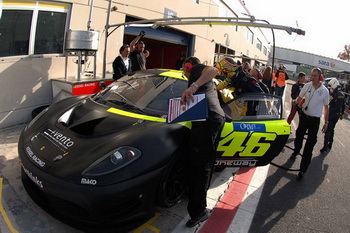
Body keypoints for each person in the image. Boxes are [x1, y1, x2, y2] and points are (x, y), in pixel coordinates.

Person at [180, 56, 225, 228]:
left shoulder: (198, 70)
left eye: (185, 68)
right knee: (202, 162)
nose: (184, 71)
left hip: (208, 119)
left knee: (201, 165)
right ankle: (195, 196)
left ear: (189, 65)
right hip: (209, 118)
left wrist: (193, 85)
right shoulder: (202, 83)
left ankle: (199, 211)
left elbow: (213, 70)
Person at [290, 68, 329, 180]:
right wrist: (295, 102)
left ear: (320, 77)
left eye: (314, 76)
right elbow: (299, 98)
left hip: (315, 121)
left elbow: (326, 108)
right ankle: (296, 151)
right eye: (311, 75)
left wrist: (326, 122)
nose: (312, 77)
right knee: (299, 136)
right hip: (304, 117)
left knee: (309, 145)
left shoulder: (325, 91)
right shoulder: (307, 86)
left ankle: (303, 170)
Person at [320, 78, 346, 152]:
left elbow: (327, 103)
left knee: (328, 130)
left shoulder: (334, 95)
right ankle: (330, 143)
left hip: (331, 114)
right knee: (332, 129)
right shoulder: (342, 94)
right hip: (337, 115)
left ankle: (325, 146)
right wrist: (342, 114)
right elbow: (343, 105)